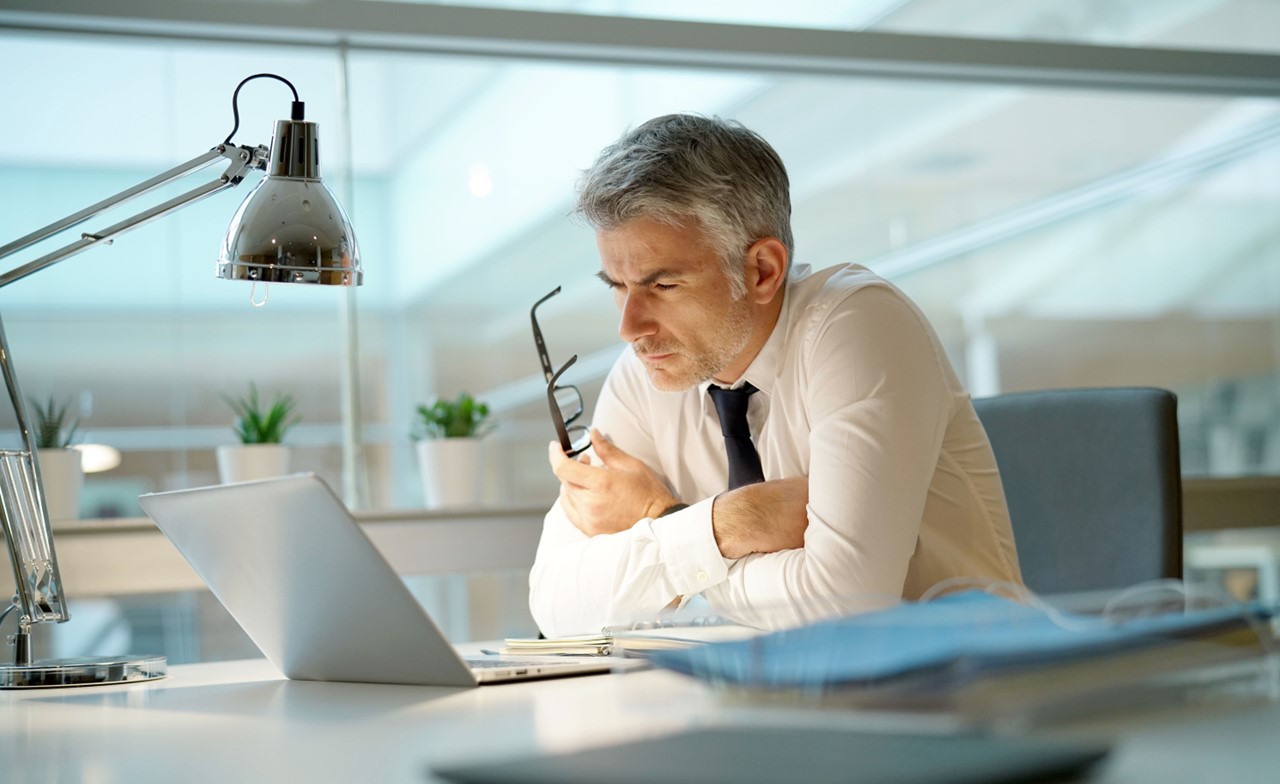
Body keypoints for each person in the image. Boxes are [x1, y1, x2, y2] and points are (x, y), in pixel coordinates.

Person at [529, 114, 1021, 637]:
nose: (630, 327)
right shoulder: (644, 375)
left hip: (949, 693)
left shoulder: (858, 325)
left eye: (663, 285)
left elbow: (845, 607)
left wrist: (662, 518)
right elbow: (556, 604)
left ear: (762, 270)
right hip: (753, 699)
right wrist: (729, 524)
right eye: (617, 286)